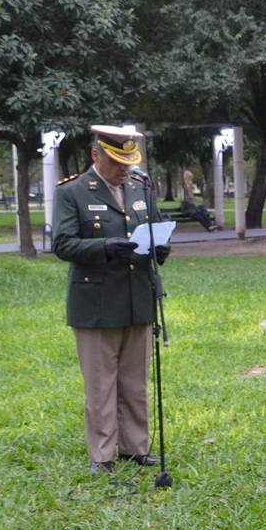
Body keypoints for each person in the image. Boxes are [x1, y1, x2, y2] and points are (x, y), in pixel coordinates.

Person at [53, 125, 171, 474]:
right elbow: (62, 244)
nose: (124, 169)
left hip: (138, 296)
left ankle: (134, 447)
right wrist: (103, 247)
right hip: (97, 301)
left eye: (128, 162)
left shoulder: (141, 188)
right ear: (96, 155)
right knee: (101, 382)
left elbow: (156, 228)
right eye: (117, 161)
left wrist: (161, 248)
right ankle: (102, 455)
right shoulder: (73, 192)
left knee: (135, 379)